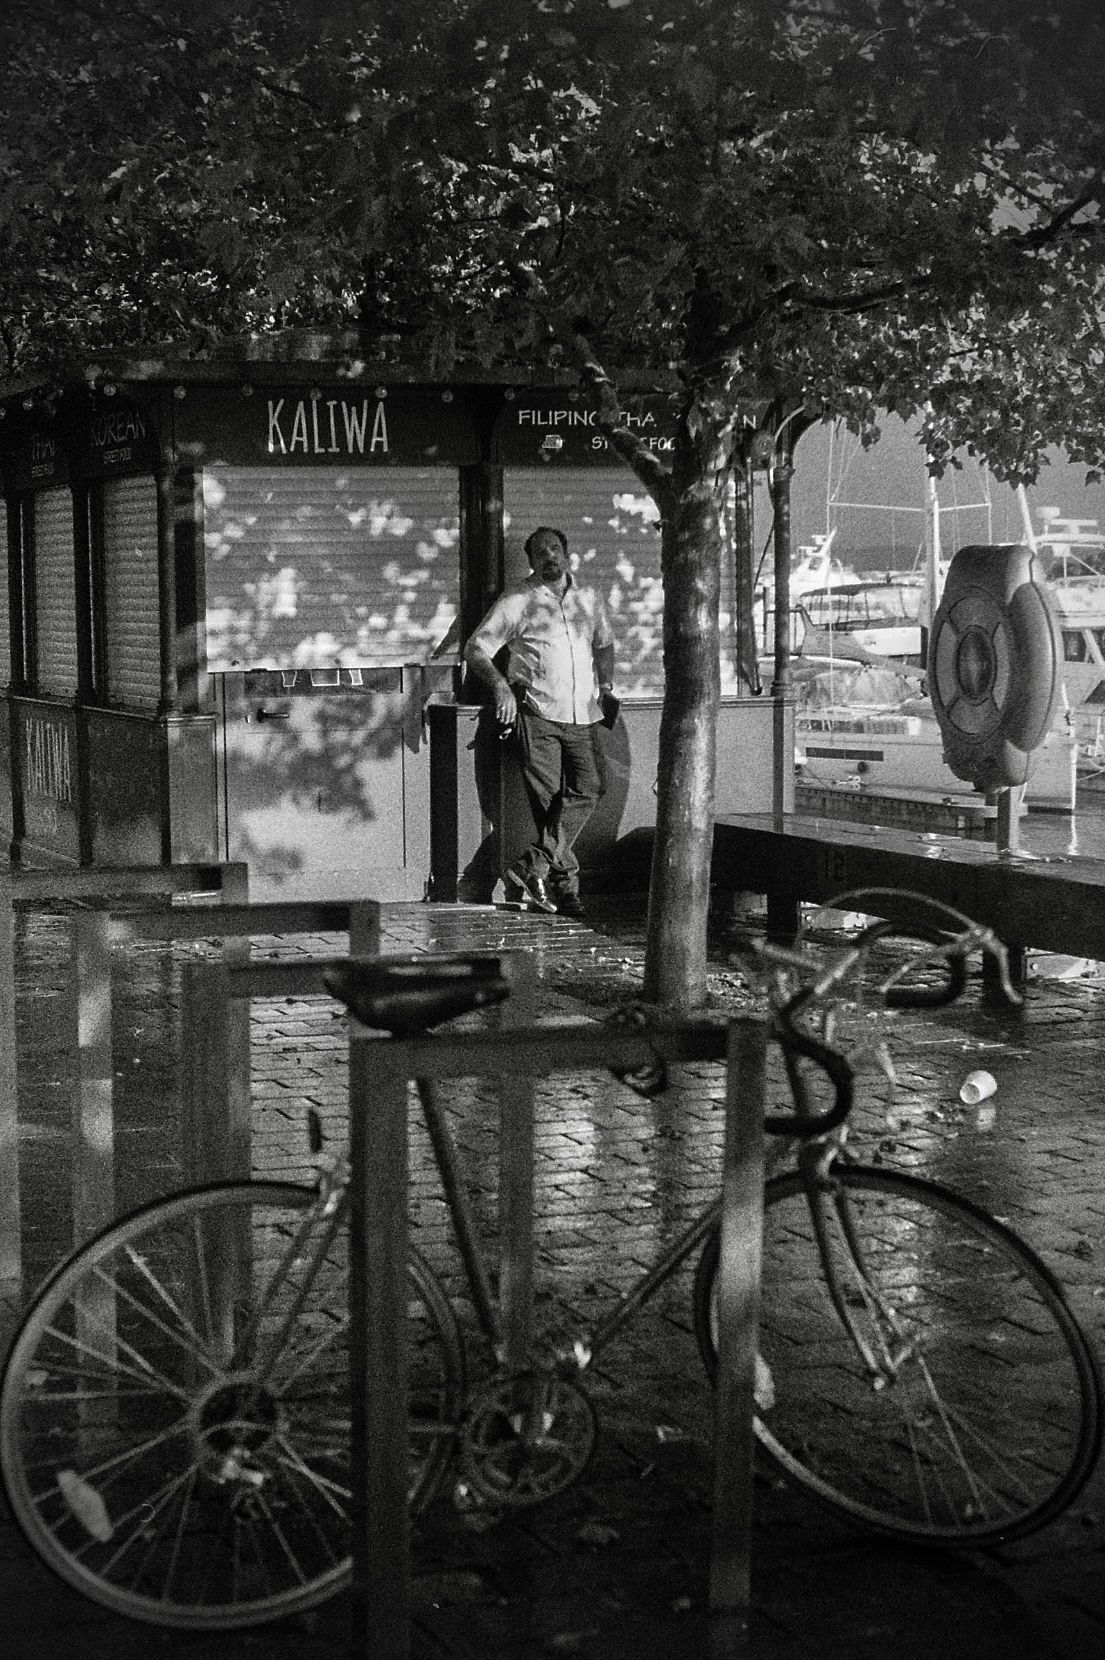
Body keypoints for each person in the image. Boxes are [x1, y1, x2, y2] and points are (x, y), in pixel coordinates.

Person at [464, 525, 616, 916]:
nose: (549, 556)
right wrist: (499, 688)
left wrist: (608, 683)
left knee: (589, 788)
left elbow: (604, 642)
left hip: (582, 715)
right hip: (537, 713)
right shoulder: (518, 599)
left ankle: (530, 867)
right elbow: (476, 649)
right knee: (549, 804)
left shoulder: (588, 597)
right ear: (531, 561)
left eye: (555, 549)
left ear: (567, 554)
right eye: (540, 552)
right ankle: (567, 893)